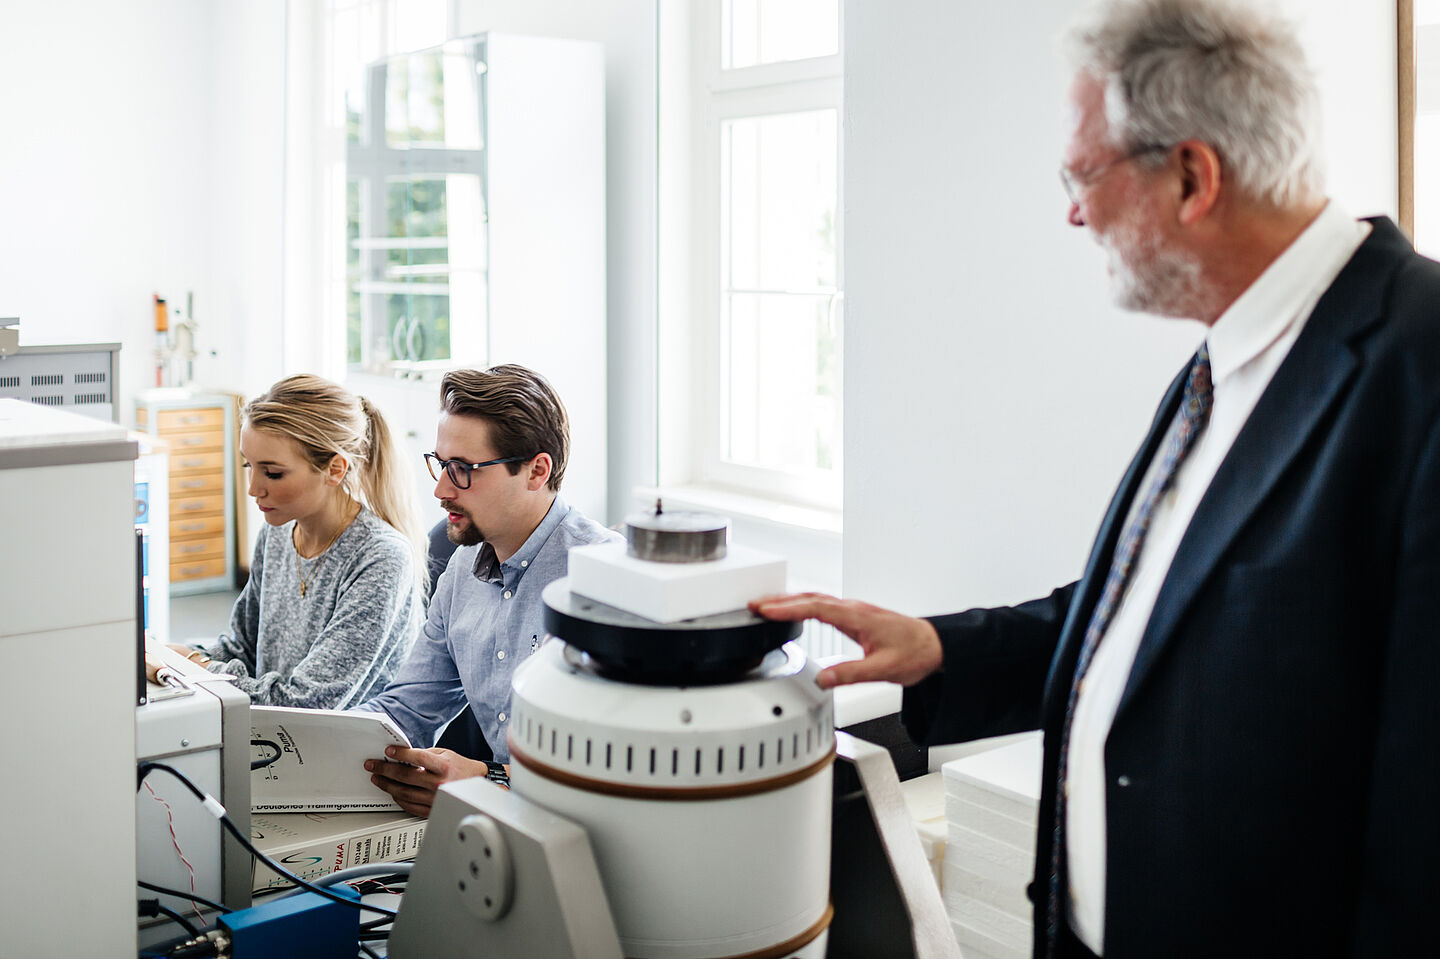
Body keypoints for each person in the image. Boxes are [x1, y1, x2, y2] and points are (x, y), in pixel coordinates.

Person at [754, 1, 1440, 956]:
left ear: (1193, 175)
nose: (1072, 212)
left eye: (1082, 175)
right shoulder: (1223, 362)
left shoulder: (1419, 367)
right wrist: (938, 648)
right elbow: (1159, 623)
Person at [358, 364, 621, 817]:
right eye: (441, 465)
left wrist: (490, 780)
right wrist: (313, 744)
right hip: (507, 822)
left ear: (537, 471)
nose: (441, 489)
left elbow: (616, 761)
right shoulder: (462, 567)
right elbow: (408, 708)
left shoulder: (607, 579)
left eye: (463, 470)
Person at [165, 374, 423, 709]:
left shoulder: (381, 557)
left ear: (335, 469)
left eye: (272, 473)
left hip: (342, 750)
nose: (253, 488)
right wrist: (170, 656)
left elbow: (306, 704)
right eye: (249, 465)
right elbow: (243, 649)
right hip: (275, 739)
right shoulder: (276, 532)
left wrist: (193, 666)